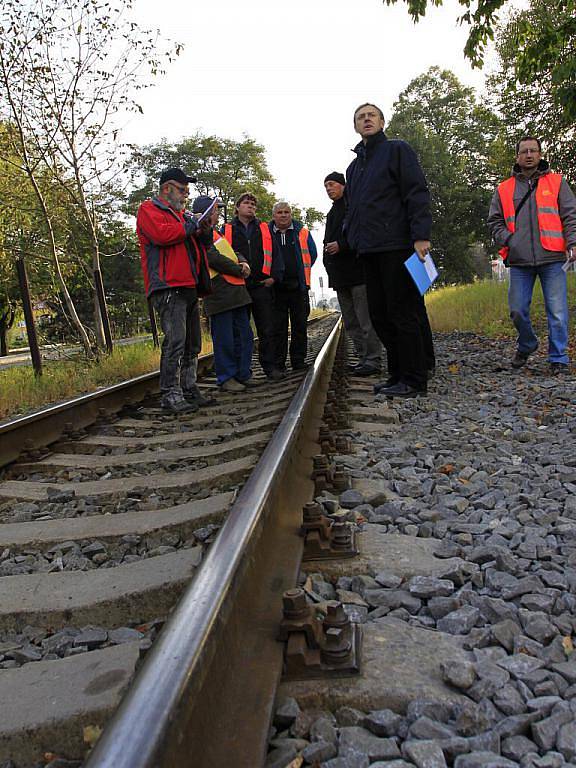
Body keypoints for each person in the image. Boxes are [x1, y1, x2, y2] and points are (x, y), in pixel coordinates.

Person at [344, 103, 433, 398]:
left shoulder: (397, 150)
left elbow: (416, 191)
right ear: (355, 126)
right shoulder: (354, 168)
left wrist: (421, 236)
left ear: (382, 122)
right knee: (380, 315)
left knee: (403, 313)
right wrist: (352, 238)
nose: (366, 119)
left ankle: (415, 378)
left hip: (397, 244)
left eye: (371, 115)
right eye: (360, 117)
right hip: (368, 250)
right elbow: (353, 209)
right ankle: (397, 374)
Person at [488, 136, 576, 373]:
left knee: (557, 312)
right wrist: (510, 240)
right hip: (520, 260)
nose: (529, 155)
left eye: (533, 151)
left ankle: (558, 359)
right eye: (524, 151)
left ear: (540, 155)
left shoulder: (557, 182)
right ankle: (527, 342)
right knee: (517, 310)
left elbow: (570, 215)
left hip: (553, 257)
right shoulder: (504, 188)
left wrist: (573, 242)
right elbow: (494, 221)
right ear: (517, 156)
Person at [136, 168, 213, 413]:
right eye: (182, 190)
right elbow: (162, 235)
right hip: (168, 286)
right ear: (167, 188)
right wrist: (191, 226)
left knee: (192, 344)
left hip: (188, 285)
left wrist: (204, 229)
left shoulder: (182, 216)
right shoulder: (149, 210)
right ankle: (170, 394)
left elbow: (202, 244)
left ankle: (188, 388)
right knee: (176, 342)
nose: (186, 196)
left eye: (187, 192)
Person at [193, 195, 255, 392]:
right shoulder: (200, 233)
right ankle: (226, 377)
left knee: (244, 336)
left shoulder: (216, 234)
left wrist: (243, 261)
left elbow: (231, 250)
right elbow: (212, 257)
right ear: (207, 213)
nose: (218, 213)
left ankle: (243, 373)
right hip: (219, 294)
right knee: (225, 339)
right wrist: (239, 269)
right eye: (215, 210)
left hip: (236, 292)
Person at [323, 171, 381, 376]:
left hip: (358, 273)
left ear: (343, 185)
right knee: (351, 322)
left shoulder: (353, 206)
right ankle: (363, 357)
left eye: (332, 184)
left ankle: (373, 359)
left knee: (365, 319)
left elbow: (362, 233)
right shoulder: (332, 212)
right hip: (340, 277)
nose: (329, 189)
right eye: (326, 186)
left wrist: (342, 245)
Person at [220, 193, 283, 380]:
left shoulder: (264, 228)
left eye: (253, 204)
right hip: (237, 287)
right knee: (240, 331)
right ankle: (242, 372)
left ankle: (270, 368)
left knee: (267, 328)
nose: (251, 206)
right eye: (246, 203)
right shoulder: (227, 229)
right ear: (237, 207)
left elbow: (276, 253)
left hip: (261, 285)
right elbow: (221, 256)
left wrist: (274, 277)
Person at [269, 202, 317, 372]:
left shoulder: (302, 232)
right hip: (275, 288)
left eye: (286, 212)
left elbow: (312, 254)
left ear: (291, 214)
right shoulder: (266, 232)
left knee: (299, 326)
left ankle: (298, 360)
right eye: (280, 212)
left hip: (298, 287)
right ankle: (278, 363)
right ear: (274, 215)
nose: (283, 215)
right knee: (278, 328)